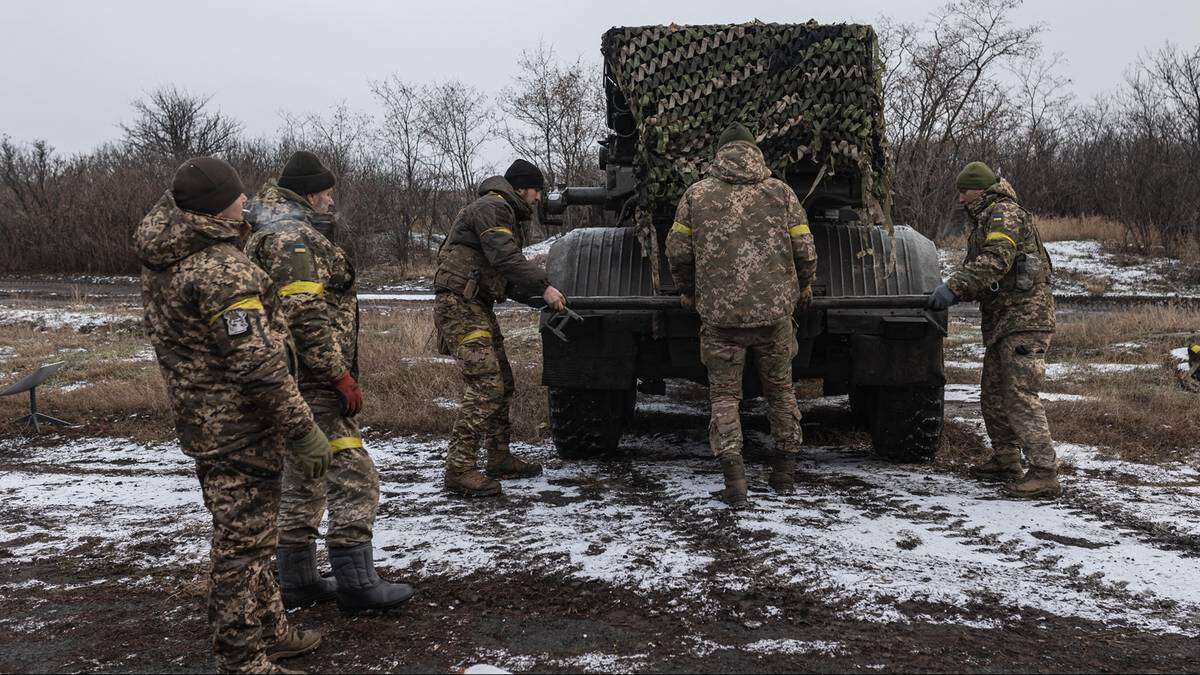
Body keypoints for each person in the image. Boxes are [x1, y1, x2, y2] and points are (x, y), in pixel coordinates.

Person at [136, 156, 328, 673]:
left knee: (253, 536)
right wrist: (303, 429)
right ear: (219, 206)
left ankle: (271, 630)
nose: (247, 202)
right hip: (239, 427)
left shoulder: (173, 257)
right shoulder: (221, 269)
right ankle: (243, 658)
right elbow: (258, 364)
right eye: (238, 197)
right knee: (242, 549)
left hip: (208, 422)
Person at [244, 150, 413, 615]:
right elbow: (304, 313)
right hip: (313, 379)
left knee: (305, 473)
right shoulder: (292, 239)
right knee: (355, 476)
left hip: (292, 375)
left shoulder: (272, 230)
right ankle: (357, 585)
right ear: (308, 193)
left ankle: (295, 580)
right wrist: (337, 373)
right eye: (326, 191)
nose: (331, 199)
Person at [665, 123, 817, 508]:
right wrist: (803, 286)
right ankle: (783, 472)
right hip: (774, 316)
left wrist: (687, 290)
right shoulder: (780, 192)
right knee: (781, 391)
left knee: (725, 396)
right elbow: (804, 247)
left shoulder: (697, 194)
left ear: (719, 153)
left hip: (720, 318)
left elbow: (678, 251)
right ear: (755, 152)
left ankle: (735, 479)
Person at [432, 159, 567, 497]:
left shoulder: (503, 211)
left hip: (476, 304)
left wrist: (542, 298)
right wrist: (545, 285)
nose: (539, 198)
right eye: (537, 190)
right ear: (522, 188)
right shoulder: (493, 206)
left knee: (502, 382)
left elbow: (505, 277)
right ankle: (459, 469)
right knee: (486, 385)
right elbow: (507, 259)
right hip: (461, 305)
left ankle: (498, 456)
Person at [928, 161, 1059, 499]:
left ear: (980, 189)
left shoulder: (1003, 213)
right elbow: (987, 273)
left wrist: (953, 287)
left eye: (964, 191)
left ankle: (1044, 472)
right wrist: (959, 288)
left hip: (1025, 320)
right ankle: (1006, 460)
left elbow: (996, 261)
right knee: (993, 394)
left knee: (1019, 395)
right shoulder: (985, 217)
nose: (960, 200)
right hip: (1005, 321)